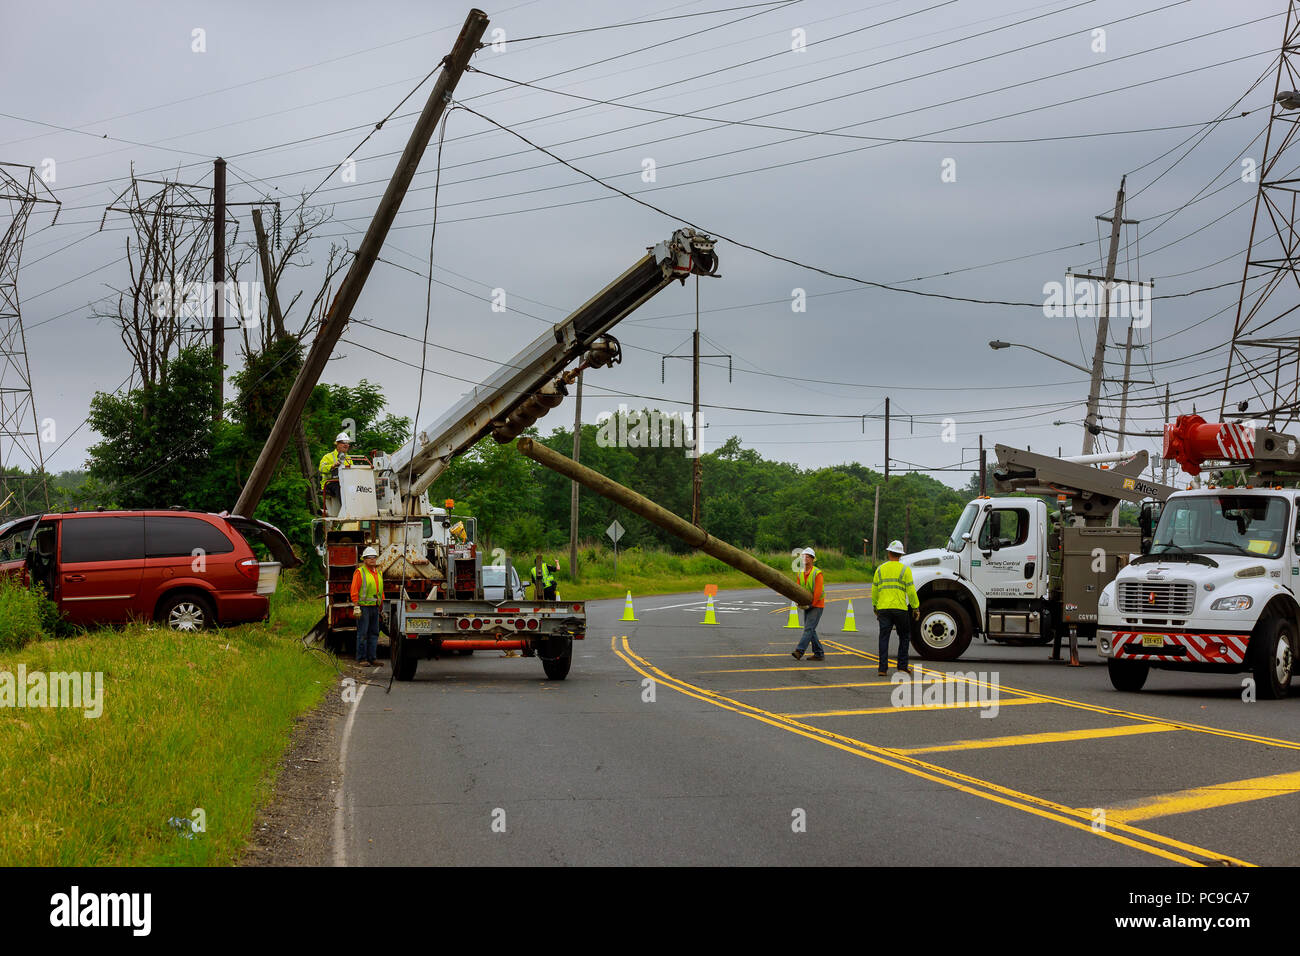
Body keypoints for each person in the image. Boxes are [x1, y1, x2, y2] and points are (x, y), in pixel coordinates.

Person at [873, 540, 919, 676]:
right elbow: (911, 591)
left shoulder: (880, 569)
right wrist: (916, 607)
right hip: (900, 609)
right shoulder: (905, 570)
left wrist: (875, 606)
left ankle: (882, 669)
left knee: (884, 637)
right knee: (904, 636)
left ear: (889, 553)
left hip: (883, 608)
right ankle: (902, 666)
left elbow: (874, 590)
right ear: (900, 555)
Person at [351, 545, 384, 667]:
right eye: (369, 557)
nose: (372, 559)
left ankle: (372, 658)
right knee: (363, 633)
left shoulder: (378, 573)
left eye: (374, 557)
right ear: (364, 559)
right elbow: (354, 590)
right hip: (363, 607)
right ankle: (362, 658)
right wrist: (356, 606)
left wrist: (381, 606)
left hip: (375, 607)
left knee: (374, 633)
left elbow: (381, 591)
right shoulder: (360, 572)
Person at [791, 547, 826, 662]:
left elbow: (818, 592)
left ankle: (799, 651)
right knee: (810, 629)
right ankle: (819, 653)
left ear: (812, 559)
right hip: (807, 604)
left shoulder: (817, 573)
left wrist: (812, 604)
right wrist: (798, 601)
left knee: (808, 629)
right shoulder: (800, 572)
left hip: (817, 605)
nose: (804, 558)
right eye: (803, 556)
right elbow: (797, 588)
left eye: (807, 556)